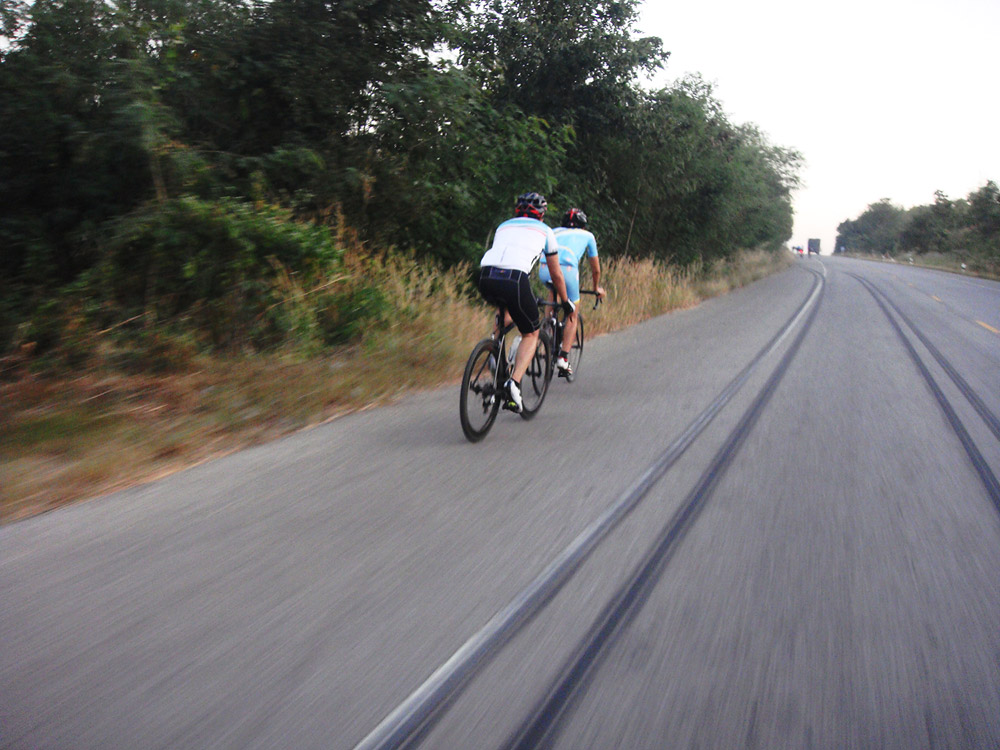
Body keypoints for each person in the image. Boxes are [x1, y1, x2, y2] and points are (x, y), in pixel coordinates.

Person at [479, 192, 573, 412]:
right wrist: (565, 301)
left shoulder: (503, 226)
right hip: (514, 279)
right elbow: (556, 274)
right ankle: (513, 384)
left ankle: (495, 348)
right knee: (531, 333)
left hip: (485, 276)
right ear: (541, 214)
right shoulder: (546, 231)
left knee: (505, 312)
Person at [538, 208, 606, 377]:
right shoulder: (588, 236)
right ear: (583, 226)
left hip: (545, 268)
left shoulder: (553, 231)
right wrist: (596, 287)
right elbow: (596, 269)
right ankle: (563, 357)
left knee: (552, 292)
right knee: (572, 313)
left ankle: (547, 331)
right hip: (567, 270)